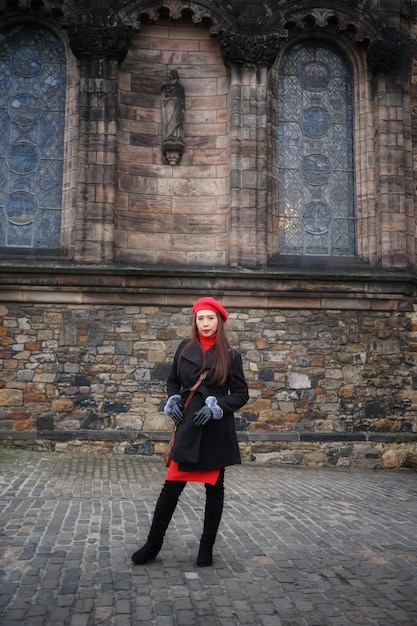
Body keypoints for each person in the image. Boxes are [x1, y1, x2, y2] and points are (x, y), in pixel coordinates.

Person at [131, 296, 249, 567]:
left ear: (219, 322)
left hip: (215, 430)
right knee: (171, 488)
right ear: (194, 321)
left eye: (210, 318)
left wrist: (218, 405)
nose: (205, 324)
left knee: (214, 490)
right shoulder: (184, 348)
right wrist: (172, 400)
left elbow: (242, 394)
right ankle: (152, 544)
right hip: (188, 427)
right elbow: (173, 381)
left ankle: (205, 548)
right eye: (200, 318)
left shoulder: (231, 356)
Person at [161, 69, 185, 144]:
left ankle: (177, 137)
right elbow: (164, 96)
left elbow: (182, 99)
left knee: (177, 121)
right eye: (172, 73)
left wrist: (183, 109)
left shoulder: (180, 88)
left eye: (175, 73)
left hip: (178, 105)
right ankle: (169, 136)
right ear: (170, 76)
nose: (173, 75)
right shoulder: (166, 86)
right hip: (169, 105)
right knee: (169, 120)